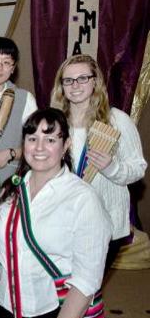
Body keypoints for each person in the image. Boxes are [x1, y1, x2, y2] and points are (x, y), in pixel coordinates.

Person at [0, 108, 111, 318]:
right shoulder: (10, 190)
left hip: (55, 317)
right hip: (9, 314)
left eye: (50, 139)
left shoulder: (83, 199)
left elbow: (87, 280)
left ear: (66, 145)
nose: (39, 147)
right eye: (32, 138)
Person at [50, 54, 147, 268]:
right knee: (63, 288)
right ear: (62, 86)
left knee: (88, 289)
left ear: (95, 82)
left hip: (105, 219)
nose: (75, 85)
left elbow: (138, 168)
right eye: (68, 80)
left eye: (83, 78)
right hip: (62, 219)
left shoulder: (116, 120)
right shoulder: (53, 123)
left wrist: (112, 168)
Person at [0, 37, 37, 190]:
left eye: (6, 62)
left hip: (9, 181)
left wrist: (10, 154)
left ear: (13, 68)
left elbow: (37, 145)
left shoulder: (25, 98)